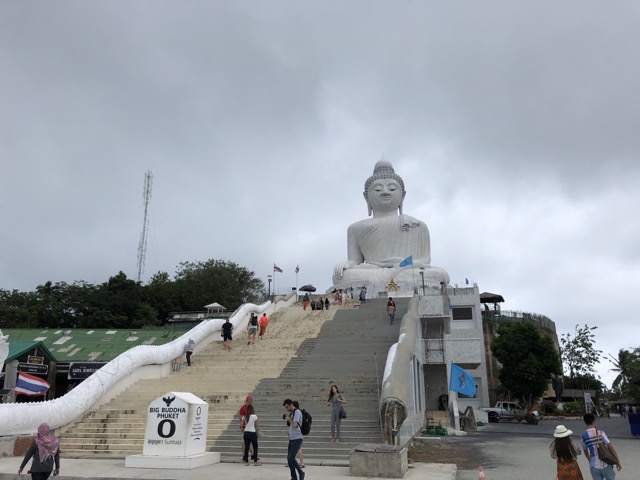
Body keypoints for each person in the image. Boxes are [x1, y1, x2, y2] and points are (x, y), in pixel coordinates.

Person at [331, 160, 449, 292]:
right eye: (377, 189)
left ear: (403, 196)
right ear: (366, 197)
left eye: (392, 188)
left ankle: (391, 277)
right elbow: (355, 262)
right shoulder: (355, 228)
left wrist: (400, 266)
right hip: (373, 271)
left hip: (407, 270)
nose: (385, 192)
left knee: (441, 274)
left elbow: (424, 261)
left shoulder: (417, 225)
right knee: (342, 276)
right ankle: (392, 277)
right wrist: (346, 264)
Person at [581, 412, 621, 479]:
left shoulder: (583, 436)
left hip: (594, 466)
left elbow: (585, 451)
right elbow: (611, 448)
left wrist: (589, 459)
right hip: (606, 464)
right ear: (594, 421)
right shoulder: (601, 433)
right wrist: (617, 461)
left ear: (585, 422)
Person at [283, 398, 305, 480]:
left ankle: (301, 473)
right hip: (292, 438)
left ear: (291, 405)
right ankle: (294, 477)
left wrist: (289, 419)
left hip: (297, 438)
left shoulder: (297, 412)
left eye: (287, 407)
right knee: (289, 459)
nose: (287, 409)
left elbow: (295, 424)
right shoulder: (292, 413)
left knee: (291, 458)